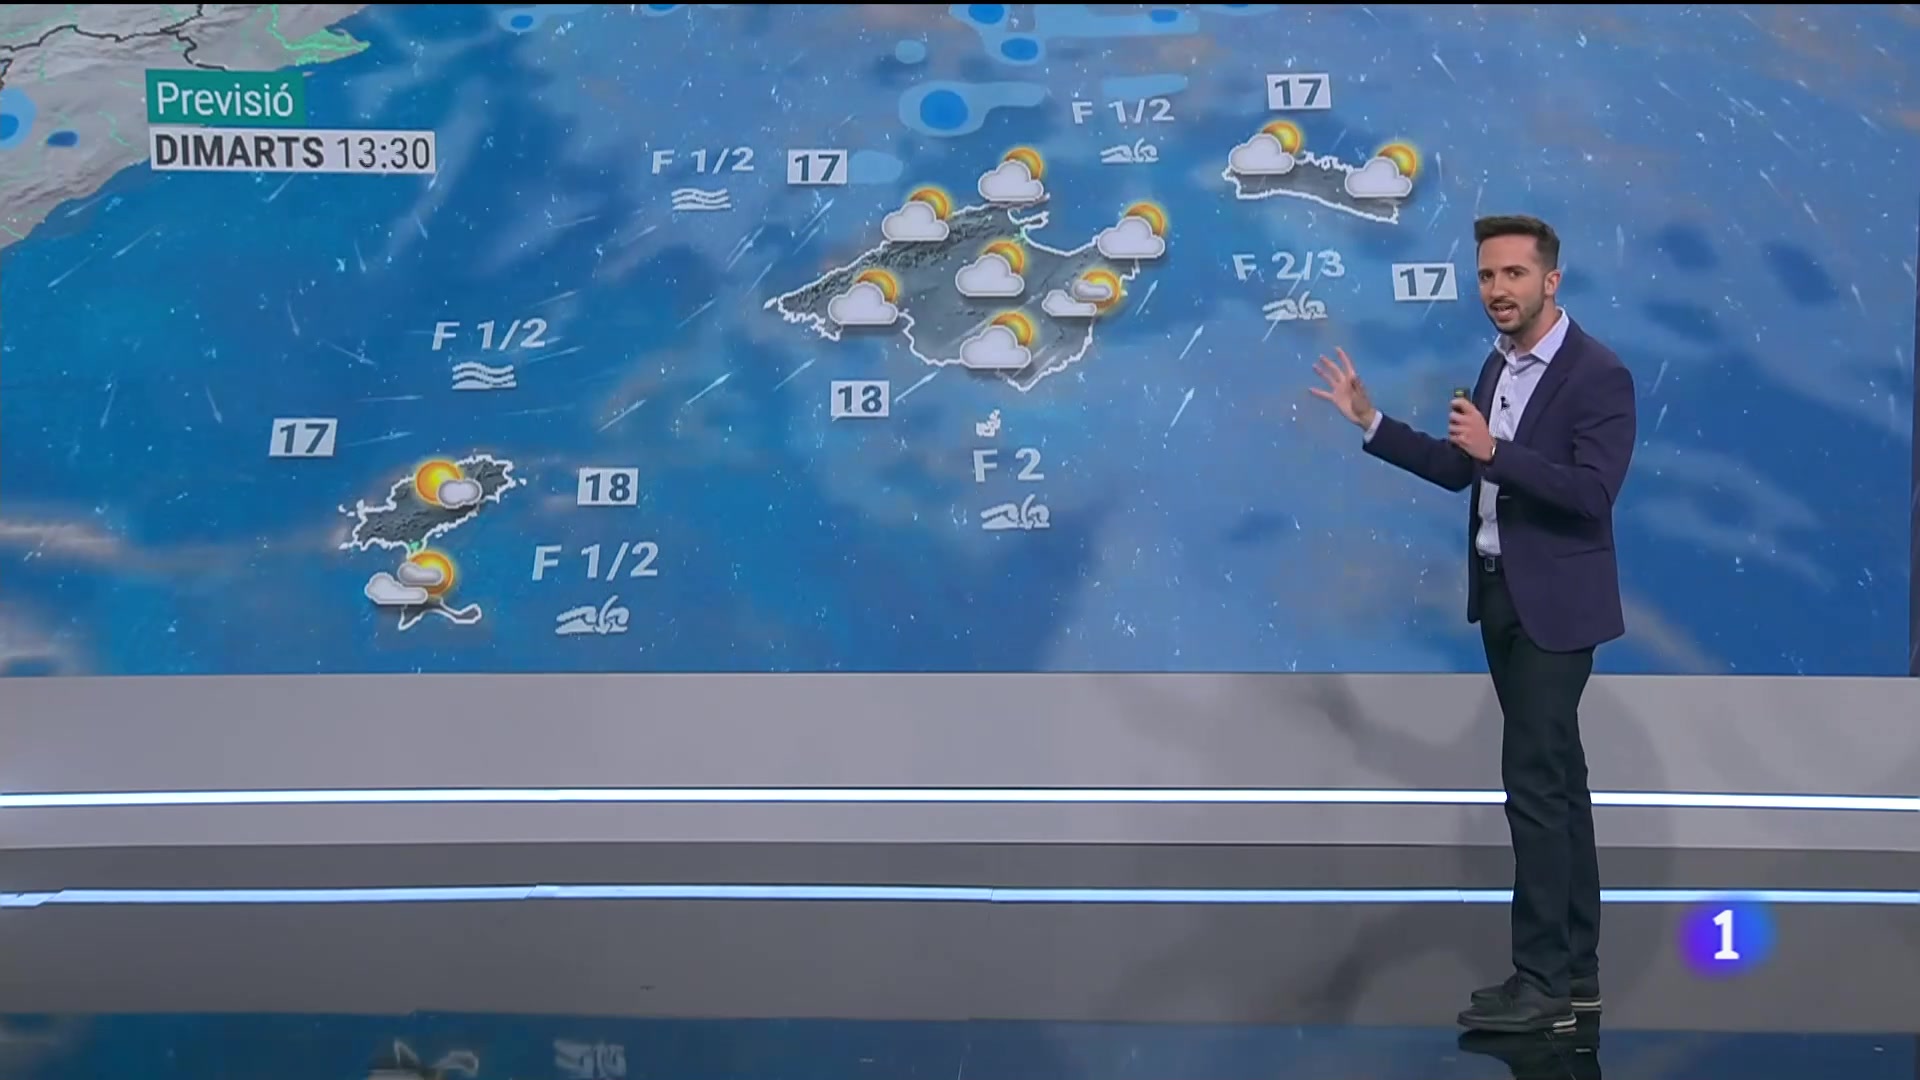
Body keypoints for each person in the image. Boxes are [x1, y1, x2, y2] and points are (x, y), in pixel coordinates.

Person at [1309, 214, 1637, 1034]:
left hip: (1557, 609)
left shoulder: (1599, 374)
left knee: (1534, 789)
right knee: (1559, 788)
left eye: (1513, 275)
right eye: (1487, 275)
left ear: (1551, 281)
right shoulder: (1498, 366)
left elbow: (1592, 494)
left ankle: (1542, 983)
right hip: (1500, 598)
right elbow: (1462, 468)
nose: (1497, 290)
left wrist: (1498, 453)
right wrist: (1372, 423)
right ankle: (1576, 973)